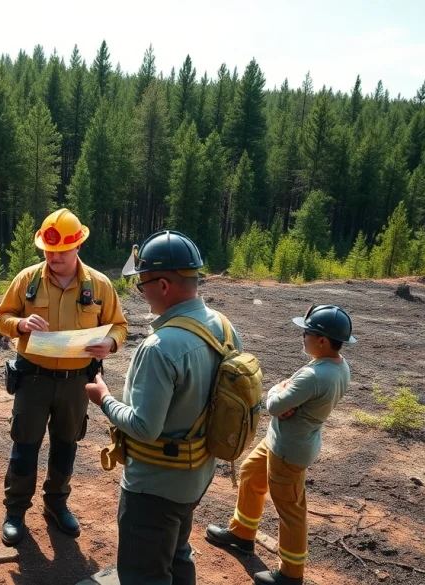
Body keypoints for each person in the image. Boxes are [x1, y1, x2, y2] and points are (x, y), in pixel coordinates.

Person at [85, 230, 242, 585]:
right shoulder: (223, 326)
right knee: (176, 552)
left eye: (142, 286)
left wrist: (104, 398)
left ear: (164, 286)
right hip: (197, 474)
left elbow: (144, 427)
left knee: (144, 572)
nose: (141, 294)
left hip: (154, 485)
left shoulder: (159, 347)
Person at [0, 208, 129, 546]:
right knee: (24, 445)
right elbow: (1, 317)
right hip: (33, 379)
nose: (53, 257)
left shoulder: (98, 284)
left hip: (76, 382)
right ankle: (15, 510)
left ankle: (56, 502)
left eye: (61, 251)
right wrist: (20, 325)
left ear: (78, 247)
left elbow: (120, 326)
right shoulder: (27, 280)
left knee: (66, 445)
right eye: (48, 251)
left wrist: (110, 342)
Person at [205, 305, 355, 585]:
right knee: (251, 472)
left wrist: (278, 388)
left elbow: (273, 404)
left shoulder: (314, 375)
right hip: (280, 441)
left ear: (322, 340)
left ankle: (290, 574)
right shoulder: (339, 365)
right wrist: (288, 395)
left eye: (307, 332)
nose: (303, 336)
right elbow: (287, 402)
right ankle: (242, 534)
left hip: (289, 450)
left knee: (291, 510)